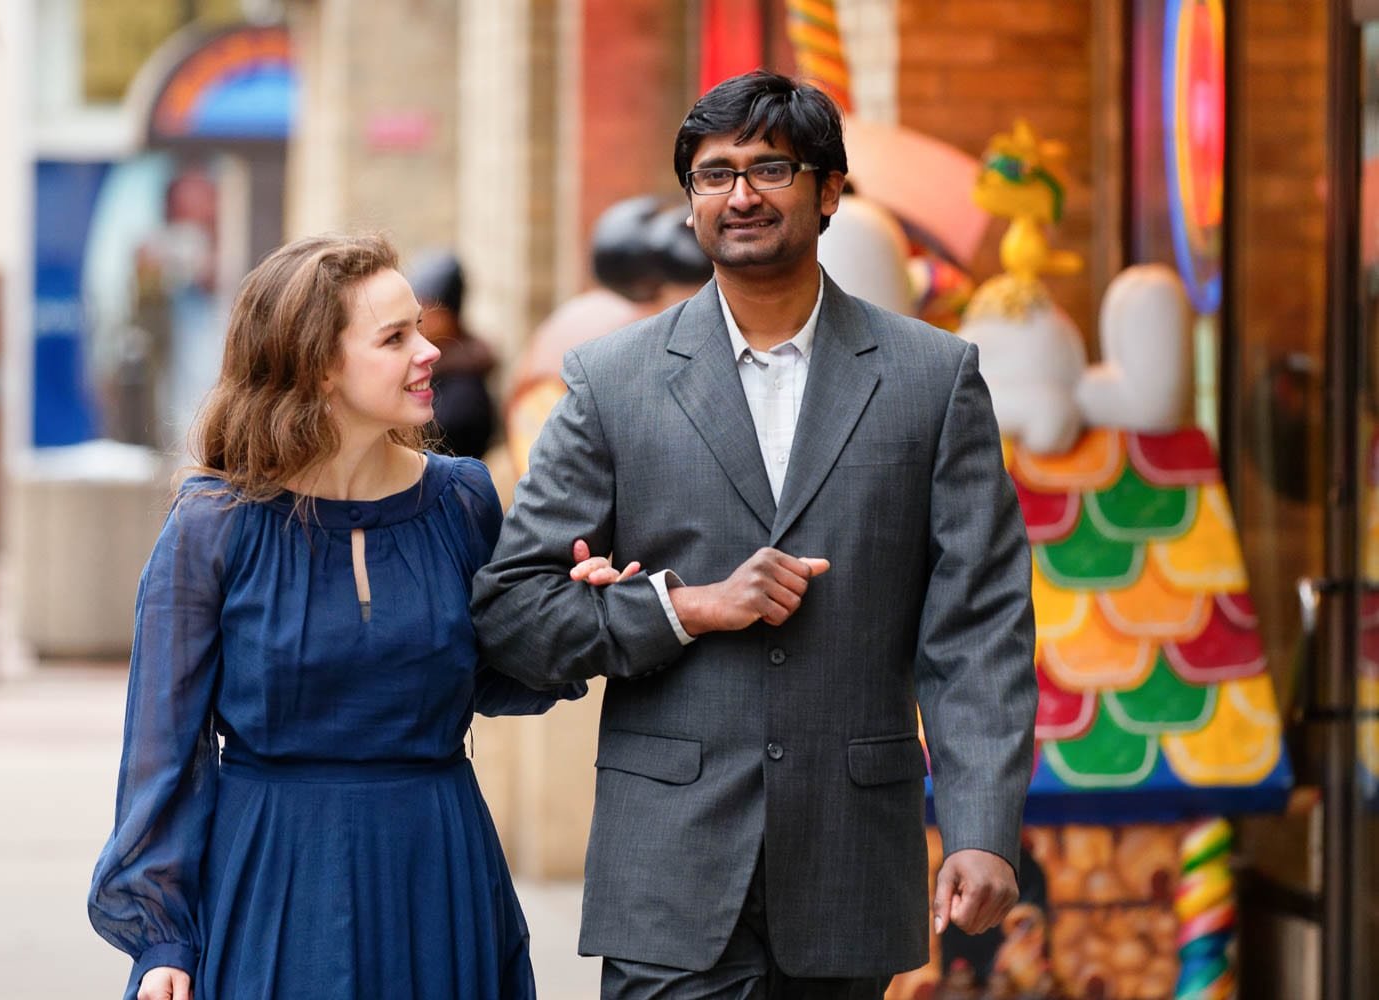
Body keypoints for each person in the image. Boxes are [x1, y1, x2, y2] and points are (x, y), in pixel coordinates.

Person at [471, 70, 1038, 998]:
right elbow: (512, 616)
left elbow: (978, 626)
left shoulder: (933, 379)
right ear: (691, 202)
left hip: (851, 867)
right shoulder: (612, 382)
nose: (739, 194)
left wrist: (980, 825)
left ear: (828, 191)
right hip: (670, 873)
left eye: (770, 168)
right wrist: (682, 608)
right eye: (713, 173)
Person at [87, 233, 599, 1000]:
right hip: (273, 879)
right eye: (395, 338)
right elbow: (165, 749)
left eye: (419, 327)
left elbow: (497, 672)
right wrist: (162, 937)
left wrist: (568, 609)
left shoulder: (462, 501)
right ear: (317, 366)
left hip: (438, 868)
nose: (429, 351)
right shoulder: (215, 524)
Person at [407, 251, 499, 459]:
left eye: (425, 308)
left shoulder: (465, 391)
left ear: (446, 315)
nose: (417, 318)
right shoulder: (435, 367)